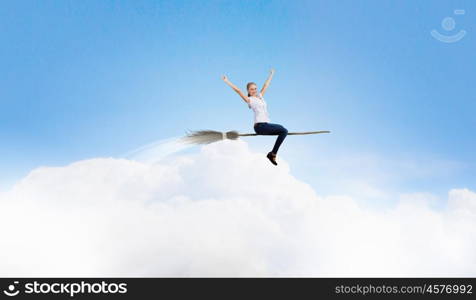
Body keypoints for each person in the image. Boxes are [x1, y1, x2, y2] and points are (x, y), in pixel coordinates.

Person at [222, 69, 288, 166]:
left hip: (266, 125)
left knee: (282, 130)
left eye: (255, 88)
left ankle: (272, 153)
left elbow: (266, 85)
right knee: (284, 131)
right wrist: (226, 81)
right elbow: (238, 91)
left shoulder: (260, 96)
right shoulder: (250, 100)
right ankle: (272, 154)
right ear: (248, 91)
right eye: (251, 89)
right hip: (260, 127)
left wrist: (271, 74)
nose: (254, 90)